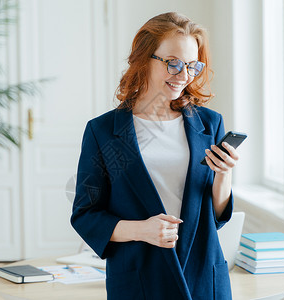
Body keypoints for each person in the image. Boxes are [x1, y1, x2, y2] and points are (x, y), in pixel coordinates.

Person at [71, 12, 239, 300]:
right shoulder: (103, 131)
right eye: (173, 63)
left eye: (191, 66)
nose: (183, 76)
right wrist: (142, 230)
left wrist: (224, 174)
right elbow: (86, 216)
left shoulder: (210, 124)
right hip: (140, 277)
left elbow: (217, 216)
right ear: (144, 58)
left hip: (201, 276)